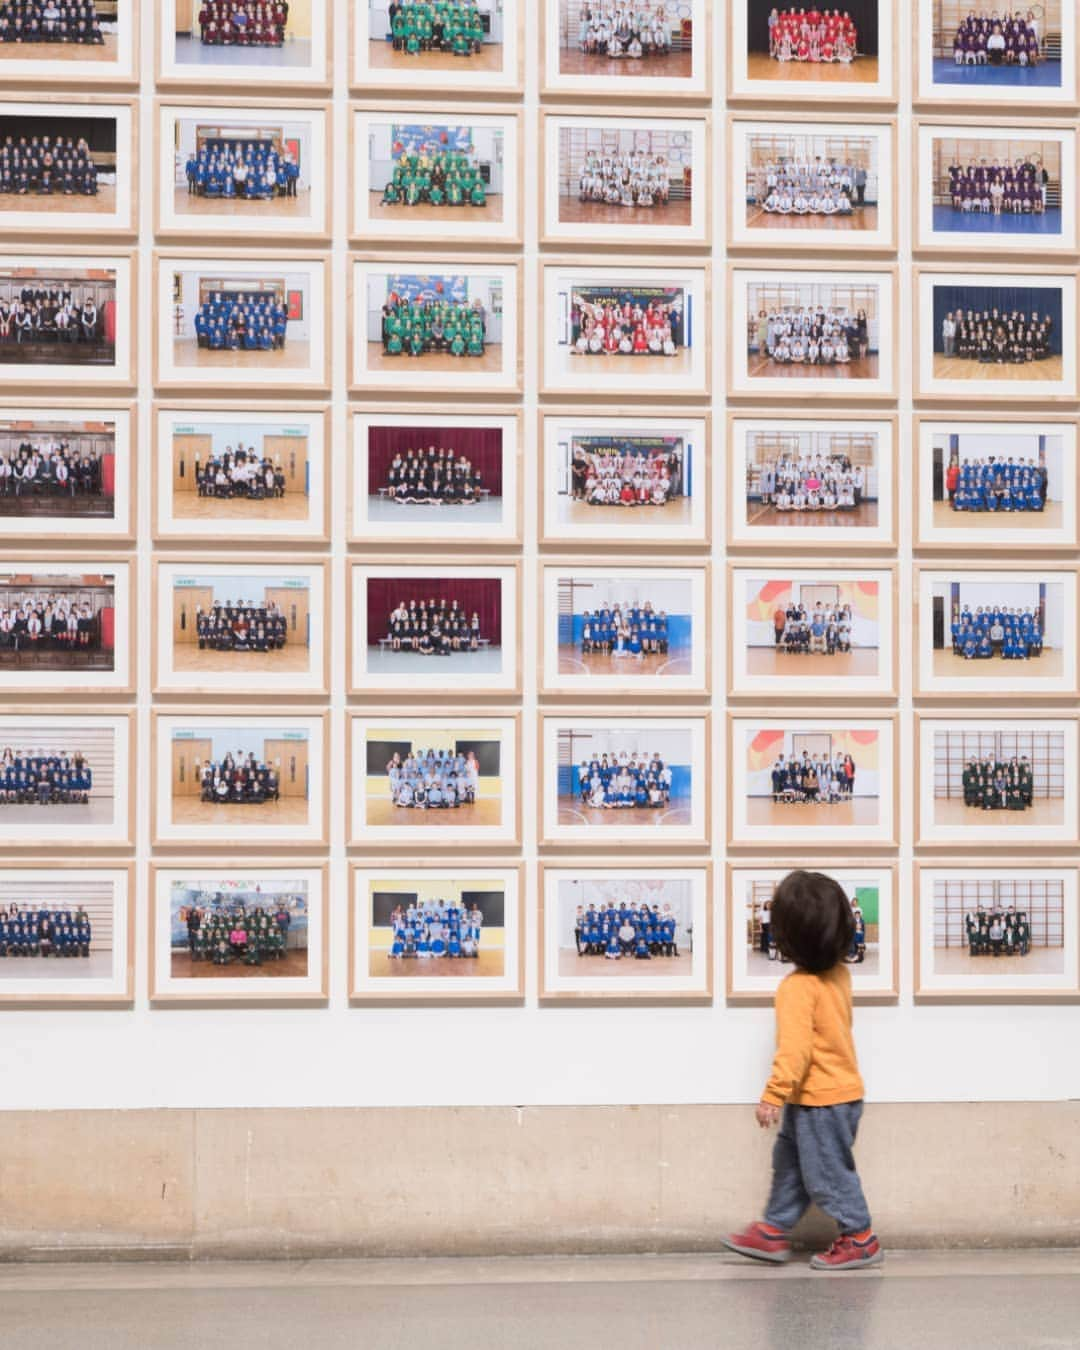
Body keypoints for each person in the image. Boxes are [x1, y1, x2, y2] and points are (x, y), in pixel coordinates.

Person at [722, 869, 883, 1271]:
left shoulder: (795, 988)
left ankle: (860, 1236)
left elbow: (795, 1050)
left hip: (821, 1102)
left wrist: (772, 1095)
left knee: (826, 1174)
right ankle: (774, 1230)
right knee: (790, 1166)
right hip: (829, 1097)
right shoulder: (839, 975)